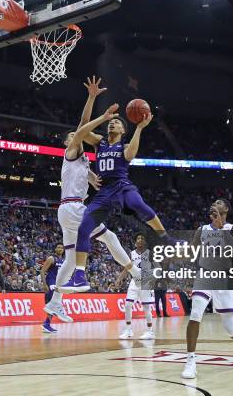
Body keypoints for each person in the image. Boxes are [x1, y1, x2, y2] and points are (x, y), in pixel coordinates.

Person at [45, 77, 140, 321]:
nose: (74, 137)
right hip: (73, 208)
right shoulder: (72, 149)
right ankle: (136, 273)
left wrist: (91, 178)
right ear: (69, 142)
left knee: (68, 256)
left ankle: (55, 301)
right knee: (109, 236)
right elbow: (82, 127)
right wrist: (99, 110)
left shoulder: (82, 161)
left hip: (67, 210)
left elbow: (83, 128)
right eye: (71, 136)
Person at [63, 92, 173, 292]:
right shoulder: (99, 142)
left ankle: (166, 238)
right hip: (104, 191)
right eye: (110, 123)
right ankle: (79, 275)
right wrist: (95, 105)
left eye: (116, 123)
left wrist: (139, 128)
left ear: (124, 129)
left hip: (122, 186)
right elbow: (82, 128)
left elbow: (130, 155)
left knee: (139, 205)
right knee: (84, 227)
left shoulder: (125, 145)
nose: (112, 124)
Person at [182, 199, 233, 379]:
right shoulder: (201, 230)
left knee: (230, 328)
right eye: (213, 202)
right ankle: (190, 361)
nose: (214, 203)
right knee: (195, 313)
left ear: (226, 209)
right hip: (204, 274)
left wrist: (222, 229)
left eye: (219, 202)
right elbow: (191, 252)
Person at [115, 234, 155, 340]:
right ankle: (128, 330)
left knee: (146, 307)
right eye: (138, 238)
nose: (140, 240)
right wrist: (120, 278)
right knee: (128, 305)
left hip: (146, 282)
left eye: (142, 238)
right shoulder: (132, 254)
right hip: (134, 282)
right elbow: (127, 268)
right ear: (135, 242)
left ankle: (150, 331)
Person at [40, 244, 65, 333]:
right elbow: (42, 271)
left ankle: (47, 324)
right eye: (58, 247)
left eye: (62, 248)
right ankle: (46, 324)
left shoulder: (64, 260)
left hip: (58, 286)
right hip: (50, 284)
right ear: (55, 249)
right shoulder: (51, 258)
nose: (60, 249)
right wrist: (44, 284)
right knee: (51, 304)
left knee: (54, 305)